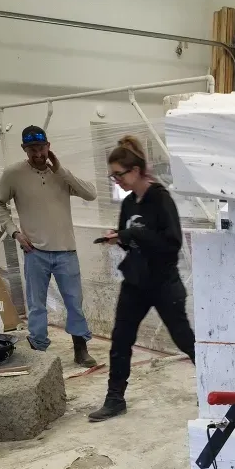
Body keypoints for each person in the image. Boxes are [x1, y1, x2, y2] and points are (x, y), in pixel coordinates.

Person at [89, 136, 195, 422]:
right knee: (120, 340)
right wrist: (119, 238)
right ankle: (115, 399)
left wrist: (132, 234)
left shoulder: (160, 198)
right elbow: (134, 240)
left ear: (135, 170)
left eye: (119, 175)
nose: (117, 181)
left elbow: (171, 244)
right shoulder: (128, 204)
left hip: (163, 283)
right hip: (135, 282)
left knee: (184, 339)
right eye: (113, 176)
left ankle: (214, 385)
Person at [0, 125, 97, 367]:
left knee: (74, 303)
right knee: (36, 305)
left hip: (66, 251)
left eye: (41, 149)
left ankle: (80, 348)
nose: (38, 154)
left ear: (49, 147)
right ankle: (38, 350)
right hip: (34, 252)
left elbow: (90, 194)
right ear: (24, 149)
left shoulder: (60, 175)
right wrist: (15, 232)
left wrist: (61, 170)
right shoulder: (13, 174)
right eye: (32, 150)